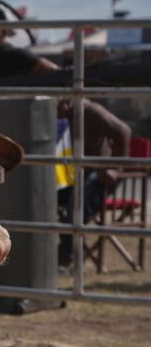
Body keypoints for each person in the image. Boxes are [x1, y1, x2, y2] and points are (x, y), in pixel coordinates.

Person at [55, 99, 133, 269]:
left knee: (77, 206)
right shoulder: (61, 117)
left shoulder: (89, 110)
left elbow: (124, 131)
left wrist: (114, 168)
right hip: (71, 175)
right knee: (40, 198)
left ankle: (65, 258)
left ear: (66, 100)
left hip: (99, 176)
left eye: (56, 108)